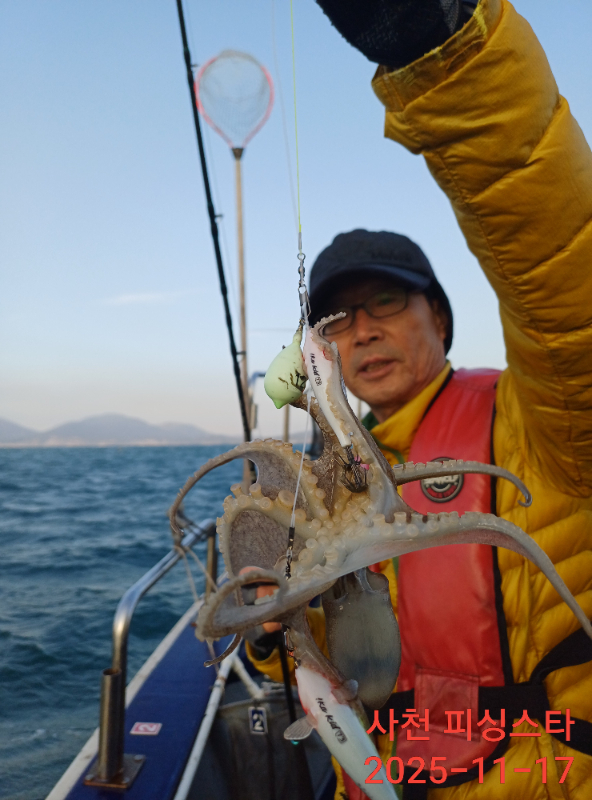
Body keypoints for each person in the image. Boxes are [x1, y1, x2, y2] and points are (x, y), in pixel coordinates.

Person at [246, 1, 592, 798]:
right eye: (336, 318)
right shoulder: (319, 488)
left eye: (386, 303)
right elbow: (315, 662)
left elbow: (560, 269)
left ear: (439, 318)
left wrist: (446, 51)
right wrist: (271, 631)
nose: (362, 329)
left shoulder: (551, 422)